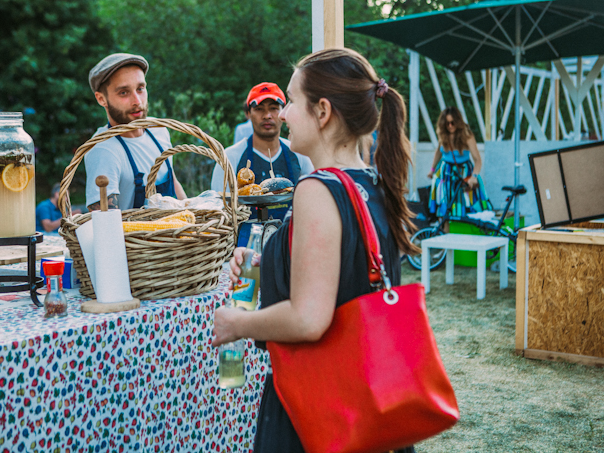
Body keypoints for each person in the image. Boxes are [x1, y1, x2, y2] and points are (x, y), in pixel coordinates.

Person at [212, 48, 418, 453]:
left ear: (322, 111)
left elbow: (309, 319)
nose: (283, 113)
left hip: (320, 406)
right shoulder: (370, 182)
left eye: (291, 100)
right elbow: (345, 274)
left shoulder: (316, 189)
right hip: (367, 401)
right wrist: (265, 262)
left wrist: (236, 324)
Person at [211, 82, 314, 245]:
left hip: (293, 241)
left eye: (273, 108)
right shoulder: (230, 158)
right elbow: (216, 208)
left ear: (283, 113)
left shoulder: (299, 153)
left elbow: (312, 202)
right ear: (248, 114)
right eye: (259, 109)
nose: (267, 115)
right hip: (244, 245)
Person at [85, 53, 186, 212]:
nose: (137, 101)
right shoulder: (103, 150)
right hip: (132, 237)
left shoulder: (158, 130)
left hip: (174, 235)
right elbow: (104, 224)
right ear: (101, 99)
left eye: (140, 89)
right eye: (124, 92)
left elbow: (172, 182)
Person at [427, 106, 491, 217]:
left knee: (466, 205)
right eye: (447, 123)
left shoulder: (467, 136)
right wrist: (432, 169)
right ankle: (445, 230)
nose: (450, 126)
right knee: (445, 206)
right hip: (446, 173)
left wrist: (474, 176)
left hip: (464, 174)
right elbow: (439, 152)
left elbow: (478, 160)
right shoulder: (443, 135)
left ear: (458, 122)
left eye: (453, 122)